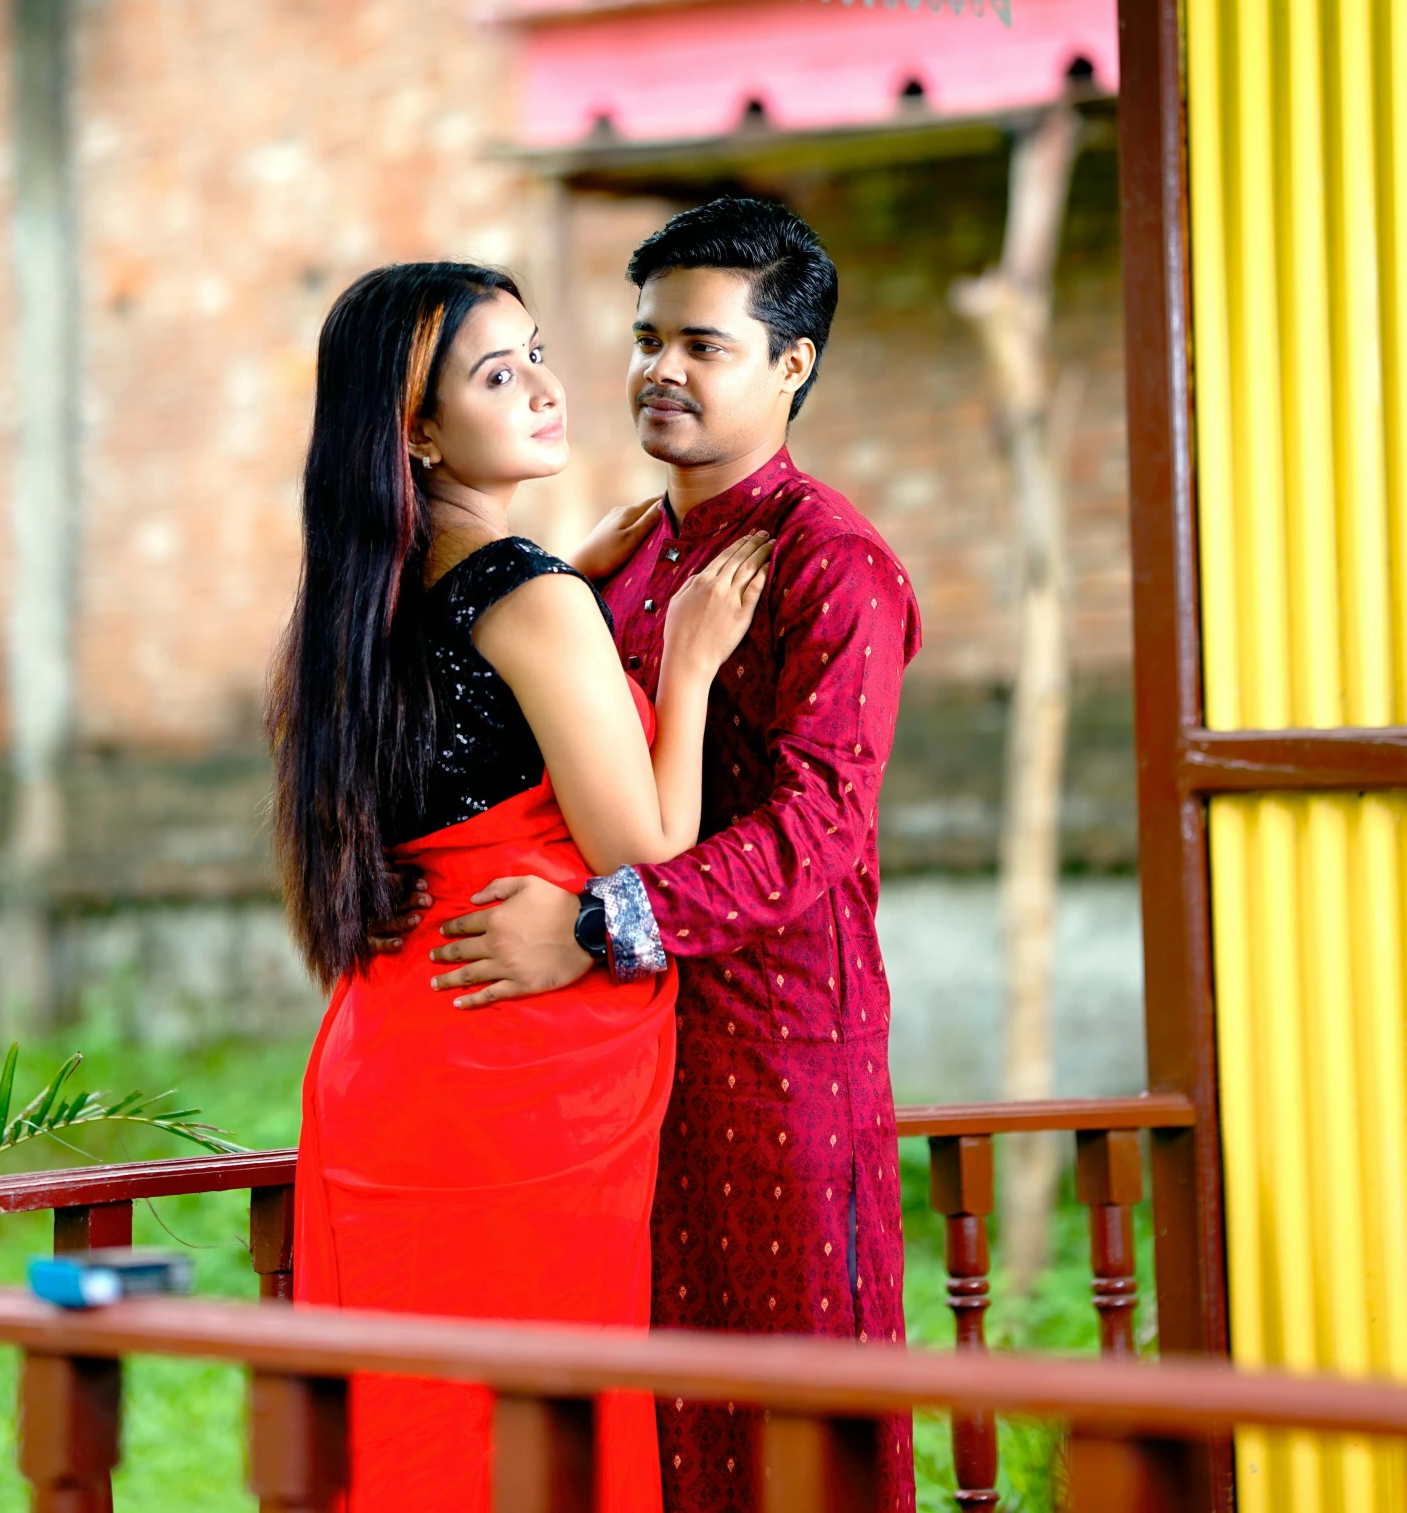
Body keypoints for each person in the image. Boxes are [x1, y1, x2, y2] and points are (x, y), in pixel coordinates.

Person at [426, 201, 922, 1513]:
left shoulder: (832, 566)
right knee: (659, 1428)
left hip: (774, 1061)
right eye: (647, 338)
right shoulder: (638, 549)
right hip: (617, 1069)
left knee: (794, 1415)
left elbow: (819, 827)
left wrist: (593, 923)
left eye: (702, 344)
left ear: (791, 365)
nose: (658, 370)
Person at [270, 260, 770, 1513]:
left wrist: (564, 573)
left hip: (388, 1062)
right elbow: (648, 850)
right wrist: (693, 668)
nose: (547, 386)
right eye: (500, 375)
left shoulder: (358, 605)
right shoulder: (532, 599)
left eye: (539, 351)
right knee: (530, 1436)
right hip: (516, 1085)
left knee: (413, 1428)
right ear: (421, 432)